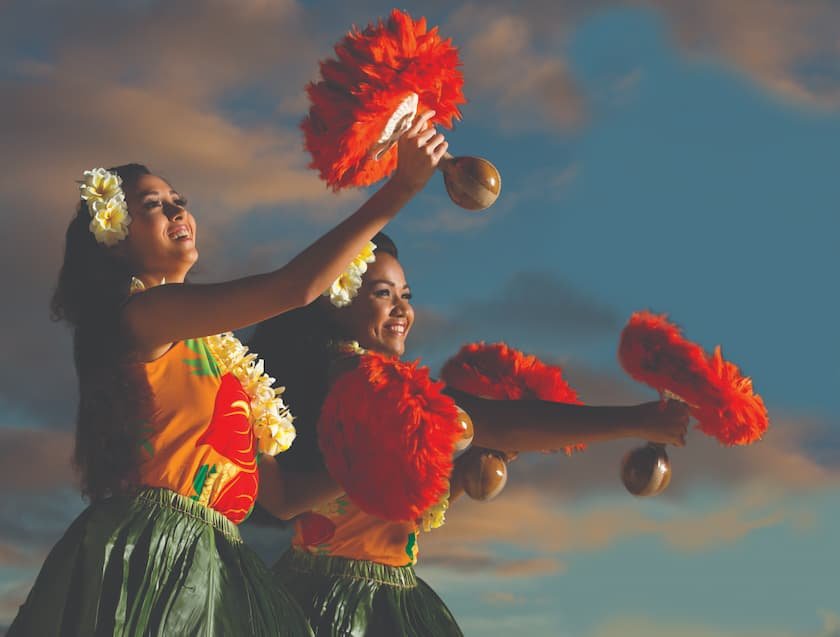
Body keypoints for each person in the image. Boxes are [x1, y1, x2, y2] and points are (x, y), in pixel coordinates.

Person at [8, 112, 448, 636]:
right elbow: (295, 287)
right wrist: (400, 189)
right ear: (114, 236)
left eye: (178, 201)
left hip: (217, 556)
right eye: (153, 205)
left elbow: (279, 497)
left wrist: (388, 473)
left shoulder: (218, 353)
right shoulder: (143, 315)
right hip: (158, 551)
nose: (177, 209)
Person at [250, 233, 690, 636]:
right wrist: (637, 420)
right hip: (341, 605)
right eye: (383, 294)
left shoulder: (359, 375)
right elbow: (498, 422)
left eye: (406, 295)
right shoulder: (361, 376)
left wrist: (461, 476)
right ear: (335, 299)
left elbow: (396, 520)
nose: (402, 308)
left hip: (372, 588)